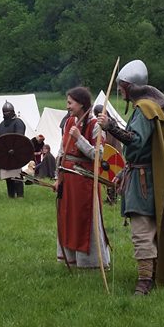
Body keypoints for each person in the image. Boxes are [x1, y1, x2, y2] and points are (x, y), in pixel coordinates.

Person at [98, 60, 164, 294]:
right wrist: (124, 171)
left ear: (130, 87)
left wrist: (110, 126)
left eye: (122, 86)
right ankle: (152, 273)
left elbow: (135, 141)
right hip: (145, 175)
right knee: (148, 226)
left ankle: (145, 280)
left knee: (142, 230)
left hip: (144, 181)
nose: (119, 90)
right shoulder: (149, 107)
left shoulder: (144, 110)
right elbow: (141, 150)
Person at [54, 87, 110, 269]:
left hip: (84, 182)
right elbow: (62, 151)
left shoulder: (95, 125)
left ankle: (90, 262)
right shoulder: (69, 122)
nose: (67, 106)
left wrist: (79, 138)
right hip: (68, 180)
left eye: (70, 103)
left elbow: (98, 155)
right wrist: (58, 178)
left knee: (84, 218)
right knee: (68, 217)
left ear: (81, 104)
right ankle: (70, 258)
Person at [0, 101, 27, 198]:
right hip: (5, 154)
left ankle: (20, 195)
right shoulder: (2, 124)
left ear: (12, 111)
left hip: (16, 153)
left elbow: (19, 138)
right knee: (8, 176)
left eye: (7, 112)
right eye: (4, 112)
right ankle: (11, 195)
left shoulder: (18, 123)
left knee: (16, 175)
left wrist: (13, 149)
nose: (6, 114)